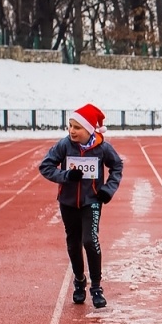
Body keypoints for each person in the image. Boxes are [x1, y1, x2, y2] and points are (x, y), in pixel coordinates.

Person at [40, 104, 124, 308]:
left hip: (92, 201)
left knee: (90, 239)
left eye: (77, 127)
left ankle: (96, 287)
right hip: (68, 203)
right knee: (73, 243)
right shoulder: (64, 145)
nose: (72, 131)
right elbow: (45, 166)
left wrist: (107, 189)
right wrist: (66, 175)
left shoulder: (103, 148)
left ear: (89, 129)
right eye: (70, 126)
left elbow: (117, 166)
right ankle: (79, 281)